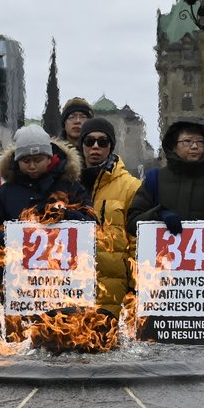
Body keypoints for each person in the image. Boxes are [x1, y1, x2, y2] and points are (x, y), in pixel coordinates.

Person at [128, 120, 204, 337]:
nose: (194, 146)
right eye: (187, 141)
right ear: (173, 146)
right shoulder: (155, 178)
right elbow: (133, 223)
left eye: (200, 142)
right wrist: (159, 213)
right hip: (162, 277)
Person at [0, 126, 92, 254]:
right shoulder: (4, 192)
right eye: (26, 161)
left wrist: (66, 214)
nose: (32, 166)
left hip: (62, 262)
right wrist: (15, 237)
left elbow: (92, 224)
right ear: (17, 161)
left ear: (49, 158)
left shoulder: (71, 187)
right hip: (17, 263)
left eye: (38, 160)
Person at [78, 117, 141, 317]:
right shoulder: (67, 184)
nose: (95, 146)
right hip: (74, 288)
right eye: (89, 141)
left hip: (115, 294)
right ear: (82, 145)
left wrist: (136, 288)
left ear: (111, 146)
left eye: (102, 141)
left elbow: (136, 241)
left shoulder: (131, 186)